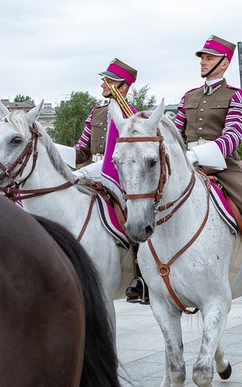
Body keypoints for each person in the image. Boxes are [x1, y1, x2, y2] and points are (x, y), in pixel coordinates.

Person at [173, 35, 242, 299]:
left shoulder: (236, 95)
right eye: (202, 57)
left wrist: (197, 155)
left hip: (222, 165)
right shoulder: (189, 96)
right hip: (187, 163)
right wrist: (178, 156)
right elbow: (177, 132)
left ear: (224, 64)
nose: (203, 62)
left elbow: (233, 135)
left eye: (209, 58)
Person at [72, 59, 152, 304]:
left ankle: (140, 277)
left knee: (133, 214)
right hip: (92, 170)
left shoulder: (133, 116)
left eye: (109, 80)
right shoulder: (96, 112)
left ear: (124, 86)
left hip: (121, 173)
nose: (103, 83)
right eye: (104, 79)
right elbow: (81, 150)